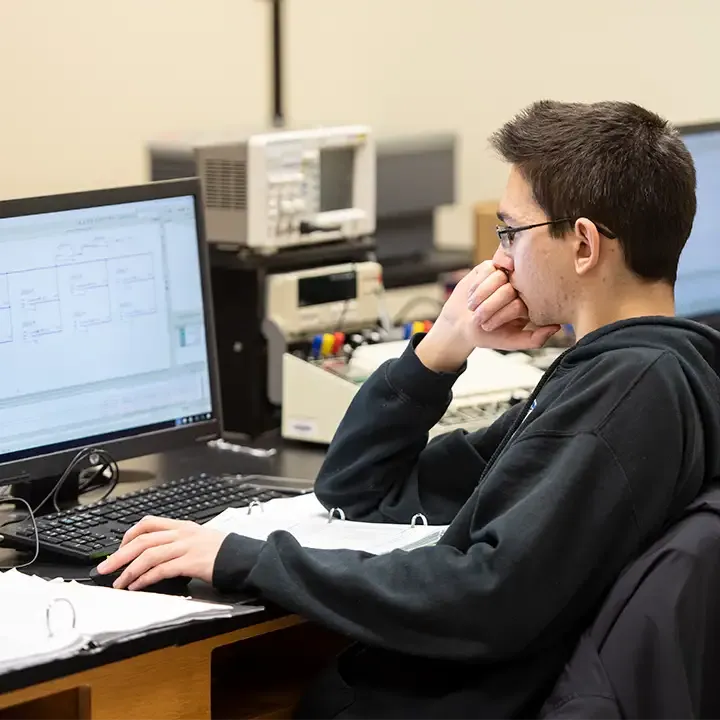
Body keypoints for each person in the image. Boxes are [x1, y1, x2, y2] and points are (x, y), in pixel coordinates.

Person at [97, 100, 720, 718]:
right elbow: (359, 492)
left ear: (583, 244)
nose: (499, 259)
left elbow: (484, 597)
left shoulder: (626, 393)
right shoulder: (636, 373)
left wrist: (244, 557)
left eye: (511, 233)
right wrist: (443, 348)